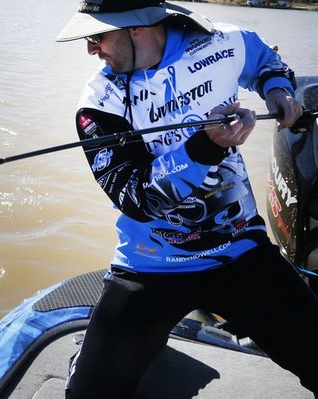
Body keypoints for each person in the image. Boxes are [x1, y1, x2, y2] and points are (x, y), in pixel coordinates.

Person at [56, 1, 318, 397]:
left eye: (98, 36)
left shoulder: (221, 43)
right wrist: (204, 148)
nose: (92, 50)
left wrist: (277, 89)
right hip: (151, 264)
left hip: (241, 251)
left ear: (138, 28)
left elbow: (262, 56)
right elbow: (136, 198)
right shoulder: (98, 103)